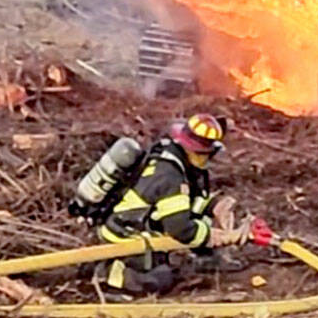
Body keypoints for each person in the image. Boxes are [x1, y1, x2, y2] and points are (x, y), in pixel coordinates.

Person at [92, 112, 227, 296]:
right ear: (194, 151)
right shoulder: (170, 175)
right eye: (205, 155)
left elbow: (184, 202)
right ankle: (108, 274)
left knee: (201, 221)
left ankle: (205, 260)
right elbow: (180, 229)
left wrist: (213, 206)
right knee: (160, 279)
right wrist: (212, 236)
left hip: (133, 223)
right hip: (125, 234)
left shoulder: (172, 157)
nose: (207, 160)